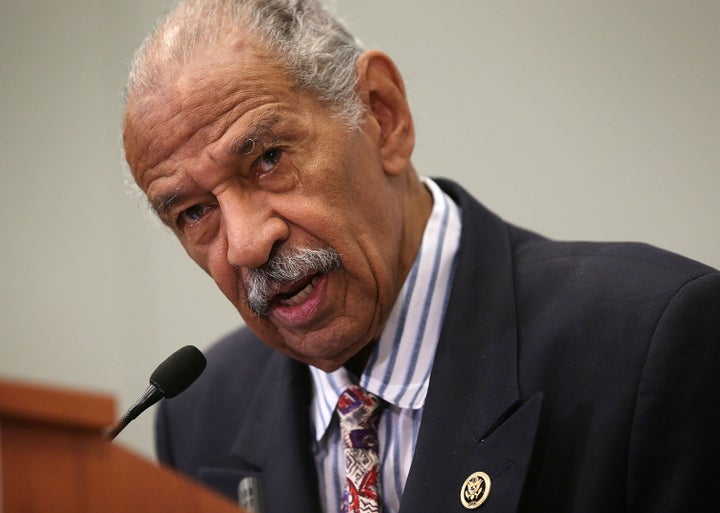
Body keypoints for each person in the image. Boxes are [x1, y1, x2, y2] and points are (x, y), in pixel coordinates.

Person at [122, 1, 720, 512]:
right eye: (195, 212)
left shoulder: (652, 342)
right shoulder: (199, 418)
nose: (248, 243)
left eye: (269, 159)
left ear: (383, 116)